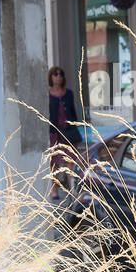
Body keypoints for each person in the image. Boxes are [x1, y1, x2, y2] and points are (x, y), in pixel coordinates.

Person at [46, 66, 81, 200]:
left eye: (60, 74)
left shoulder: (69, 93)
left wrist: (74, 125)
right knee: (55, 162)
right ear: (51, 77)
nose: (58, 76)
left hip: (69, 131)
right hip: (55, 132)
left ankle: (71, 188)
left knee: (70, 160)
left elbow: (72, 111)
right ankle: (54, 189)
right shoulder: (48, 93)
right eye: (55, 74)